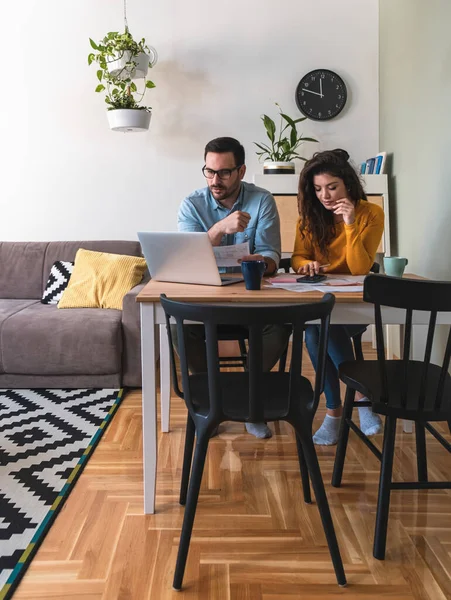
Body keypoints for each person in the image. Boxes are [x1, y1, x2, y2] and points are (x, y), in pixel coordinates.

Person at [176, 136, 290, 439]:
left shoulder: (262, 199)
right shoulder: (192, 204)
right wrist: (218, 229)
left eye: (224, 172)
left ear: (240, 171)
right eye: (209, 171)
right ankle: (209, 404)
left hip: (249, 297)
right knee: (180, 327)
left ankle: (251, 402)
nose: (215, 180)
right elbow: (186, 258)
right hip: (207, 299)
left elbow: (272, 255)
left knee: (279, 325)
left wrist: (261, 263)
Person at [292, 149, 384, 445]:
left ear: (348, 184)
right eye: (318, 189)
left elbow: (359, 268)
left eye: (332, 187)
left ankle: (336, 411)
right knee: (316, 329)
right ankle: (358, 398)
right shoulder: (308, 217)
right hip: (323, 301)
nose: (325, 196)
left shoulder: (371, 214)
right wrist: (304, 265)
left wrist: (349, 223)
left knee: (318, 329)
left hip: (356, 306)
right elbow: (298, 255)